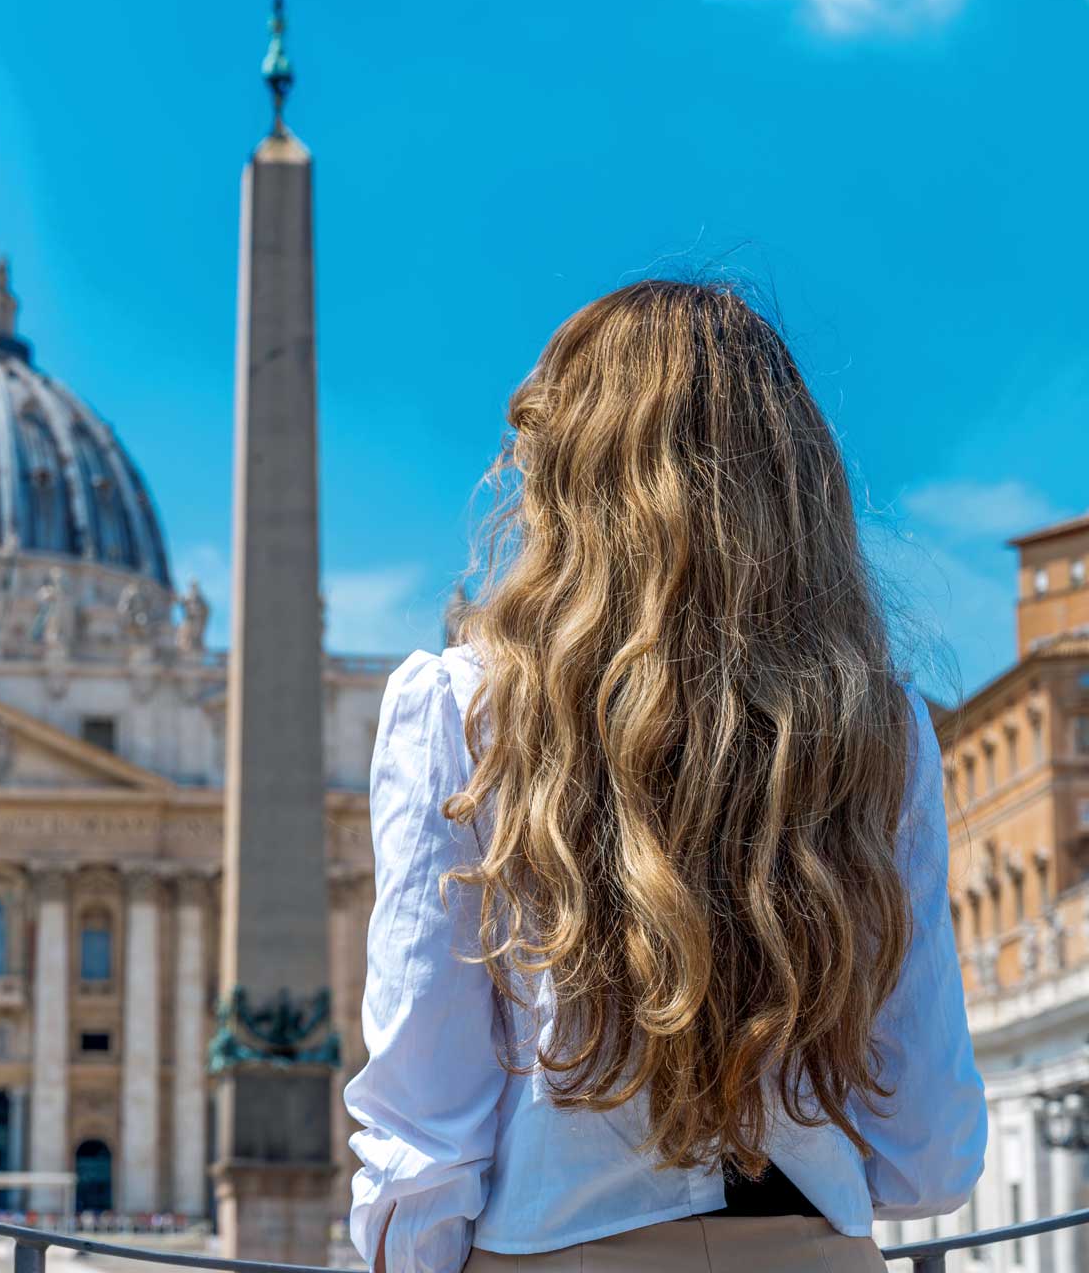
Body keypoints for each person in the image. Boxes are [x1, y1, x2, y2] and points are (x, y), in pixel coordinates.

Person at [346, 281, 986, 1273]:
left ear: (562, 473)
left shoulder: (458, 708)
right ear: (797, 479)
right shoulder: (882, 726)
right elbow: (929, 1153)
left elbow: (423, 1129)